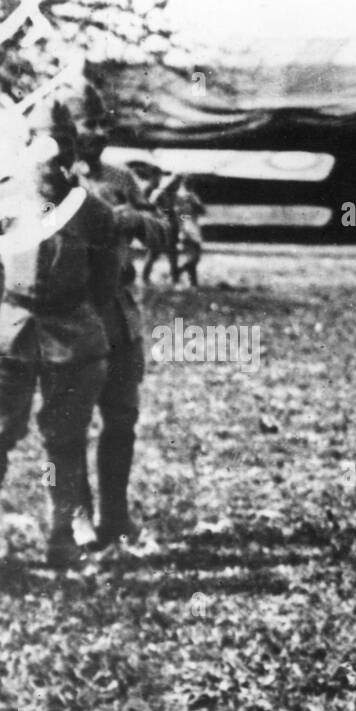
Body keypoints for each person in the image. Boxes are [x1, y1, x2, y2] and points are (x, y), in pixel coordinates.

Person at [0, 100, 118, 567]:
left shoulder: (94, 213)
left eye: (61, 147)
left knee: (64, 440)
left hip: (72, 338)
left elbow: (105, 285)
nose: (51, 157)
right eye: (41, 145)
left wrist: (81, 327)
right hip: (10, 334)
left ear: (73, 153)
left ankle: (60, 535)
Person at [73, 85, 170, 547]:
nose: (99, 133)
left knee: (121, 418)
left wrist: (134, 219)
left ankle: (115, 514)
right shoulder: (43, 181)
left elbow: (162, 232)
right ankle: (77, 516)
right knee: (68, 422)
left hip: (116, 316)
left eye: (102, 122)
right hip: (67, 320)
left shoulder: (121, 177)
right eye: (87, 123)